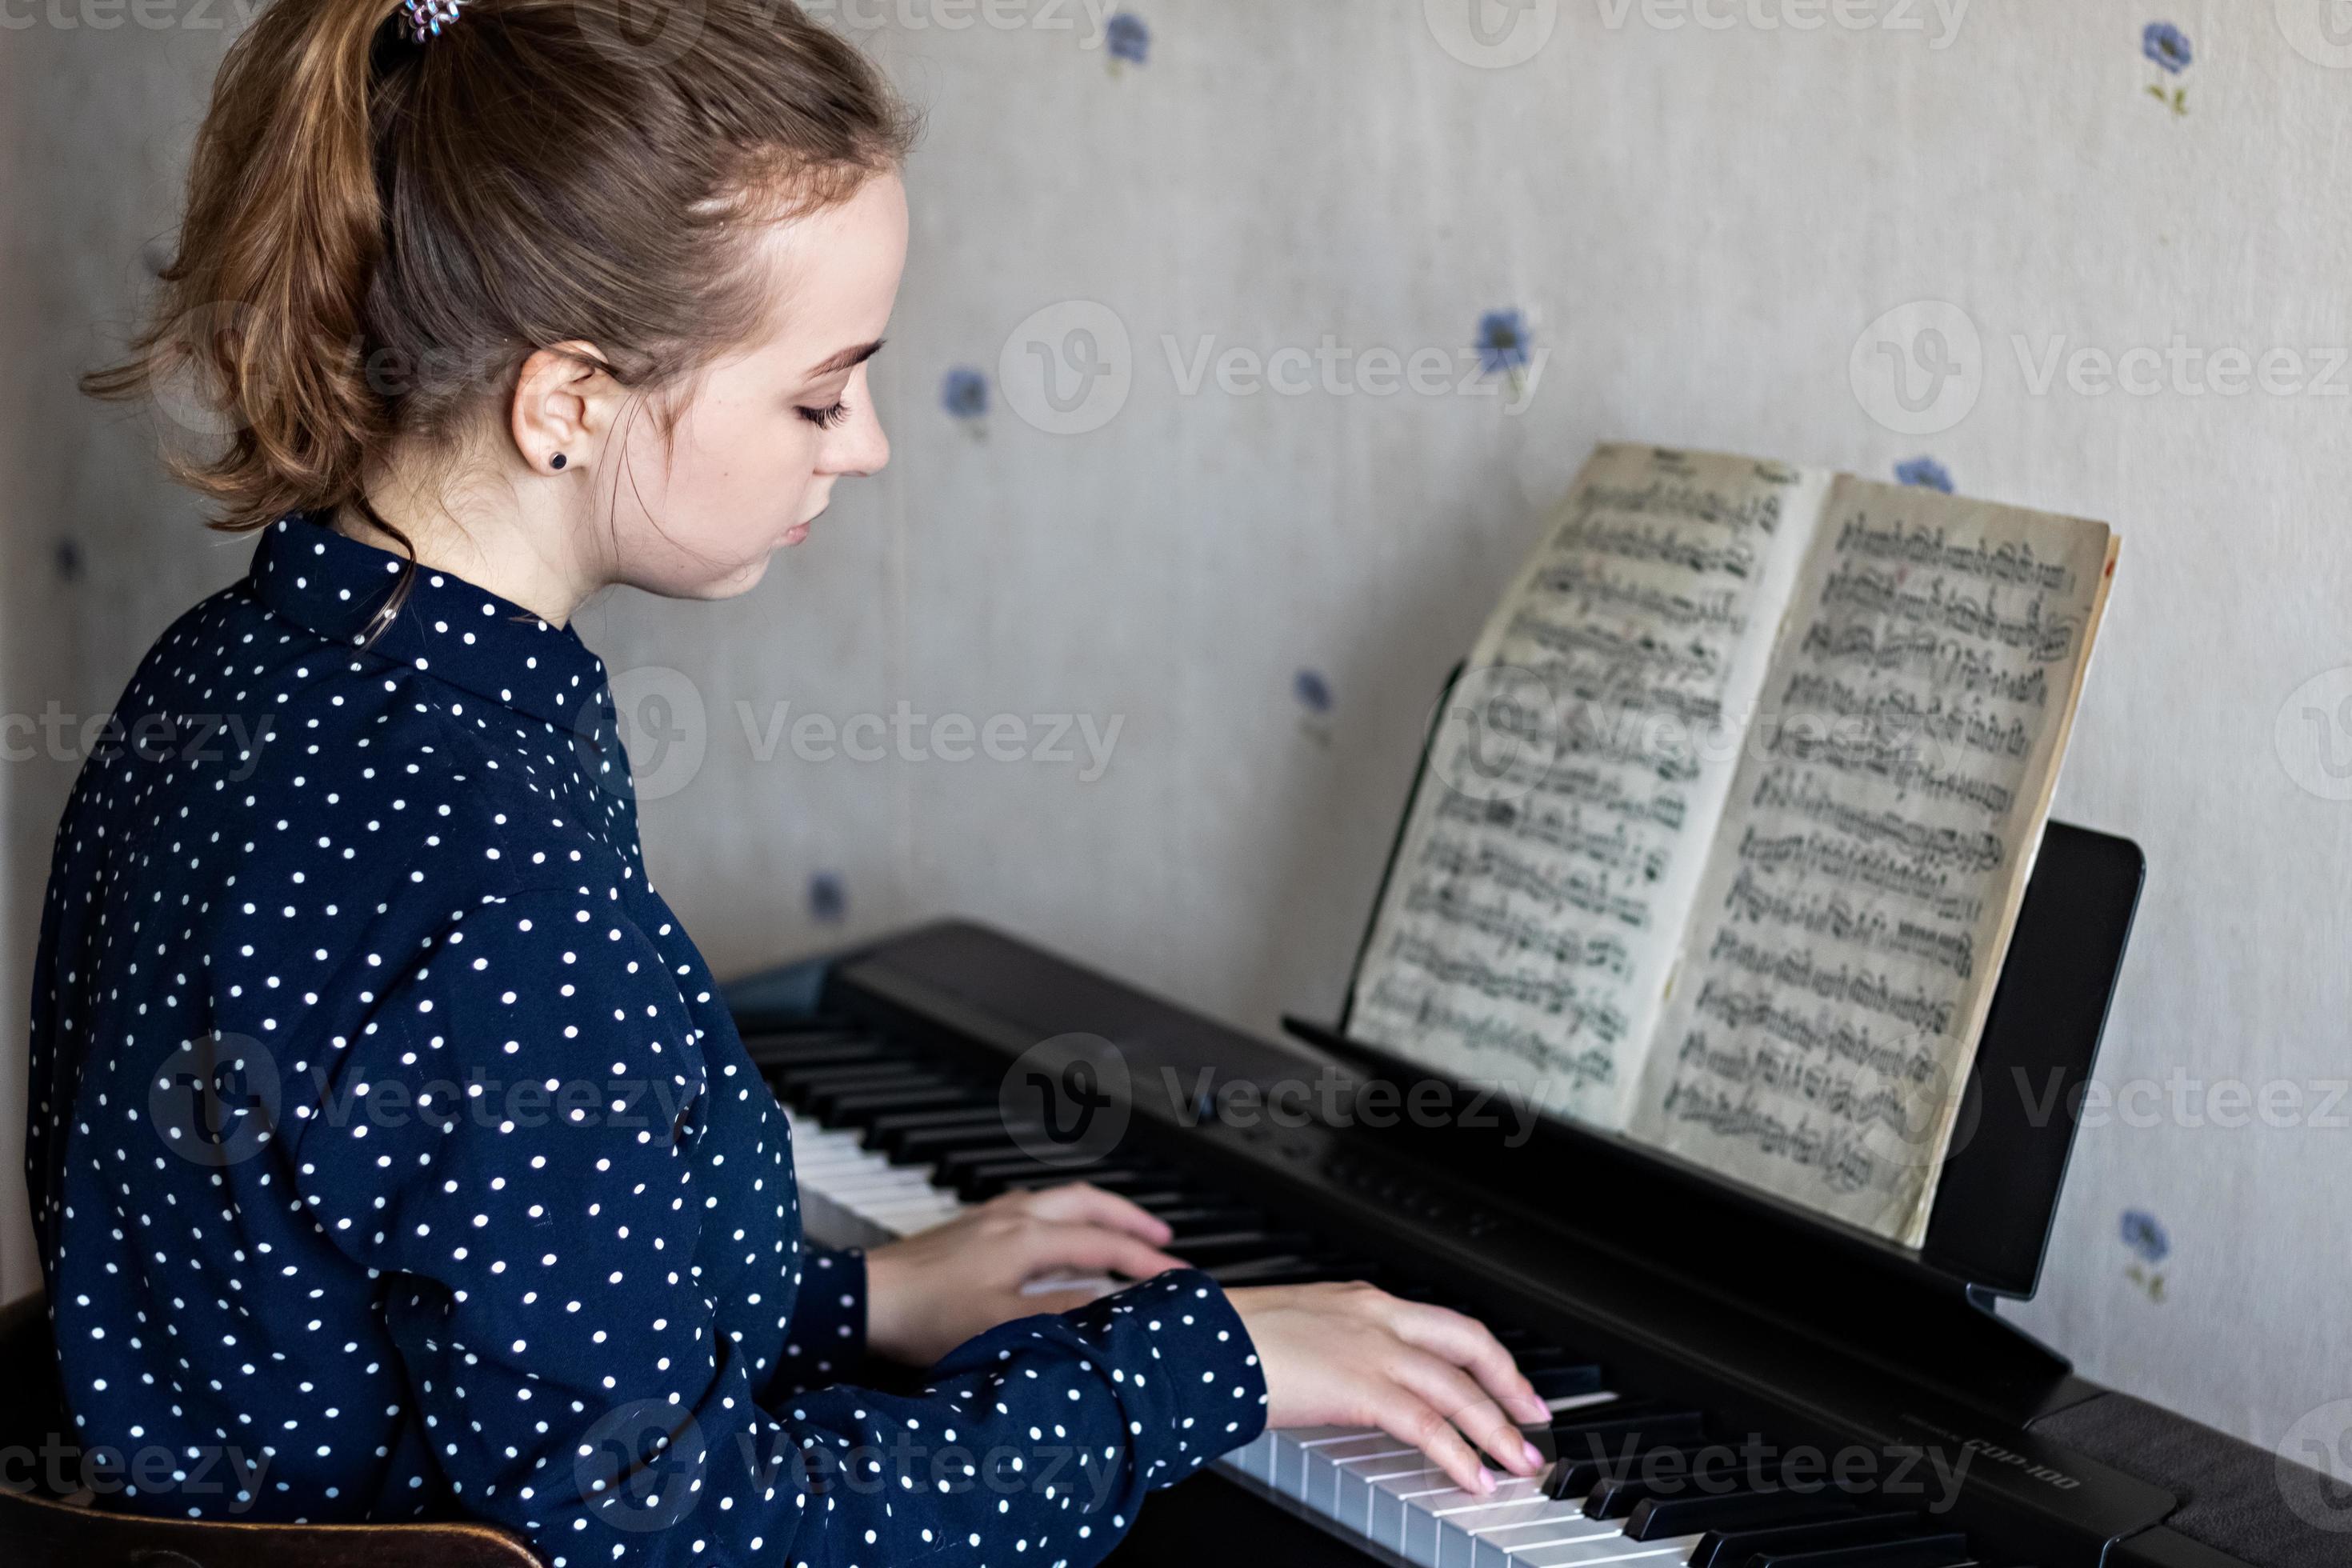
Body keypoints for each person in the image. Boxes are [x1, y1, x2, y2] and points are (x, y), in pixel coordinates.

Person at [30, 0, 1552, 1561]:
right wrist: (1182, 1368)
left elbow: (427, 1247)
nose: (869, 444)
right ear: (565, 402)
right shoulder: (506, 882)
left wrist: (864, 1294)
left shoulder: (235, 670)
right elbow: (666, 1526)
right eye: (820, 394)